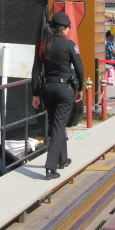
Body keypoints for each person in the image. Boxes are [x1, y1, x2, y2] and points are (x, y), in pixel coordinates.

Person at [32, 12, 84, 180]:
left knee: (55, 123)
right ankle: (51, 167)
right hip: (64, 88)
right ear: (64, 29)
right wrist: (80, 88)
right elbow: (79, 69)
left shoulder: (43, 44)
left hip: (47, 88)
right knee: (59, 126)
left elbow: (36, 70)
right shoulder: (69, 45)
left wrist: (35, 93)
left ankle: (62, 159)